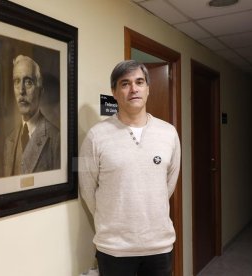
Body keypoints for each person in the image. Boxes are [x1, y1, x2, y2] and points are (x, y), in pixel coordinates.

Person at [79, 60, 181, 275]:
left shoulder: (169, 133)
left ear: (148, 89)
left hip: (159, 247)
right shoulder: (95, 136)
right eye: (125, 83)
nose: (133, 89)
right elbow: (87, 188)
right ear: (114, 92)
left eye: (139, 82)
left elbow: (168, 185)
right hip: (114, 250)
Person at [3, 55, 60, 176]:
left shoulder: (56, 138)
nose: (21, 90)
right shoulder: (9, 140)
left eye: (28, 82)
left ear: (40, 91)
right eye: (17, 82)